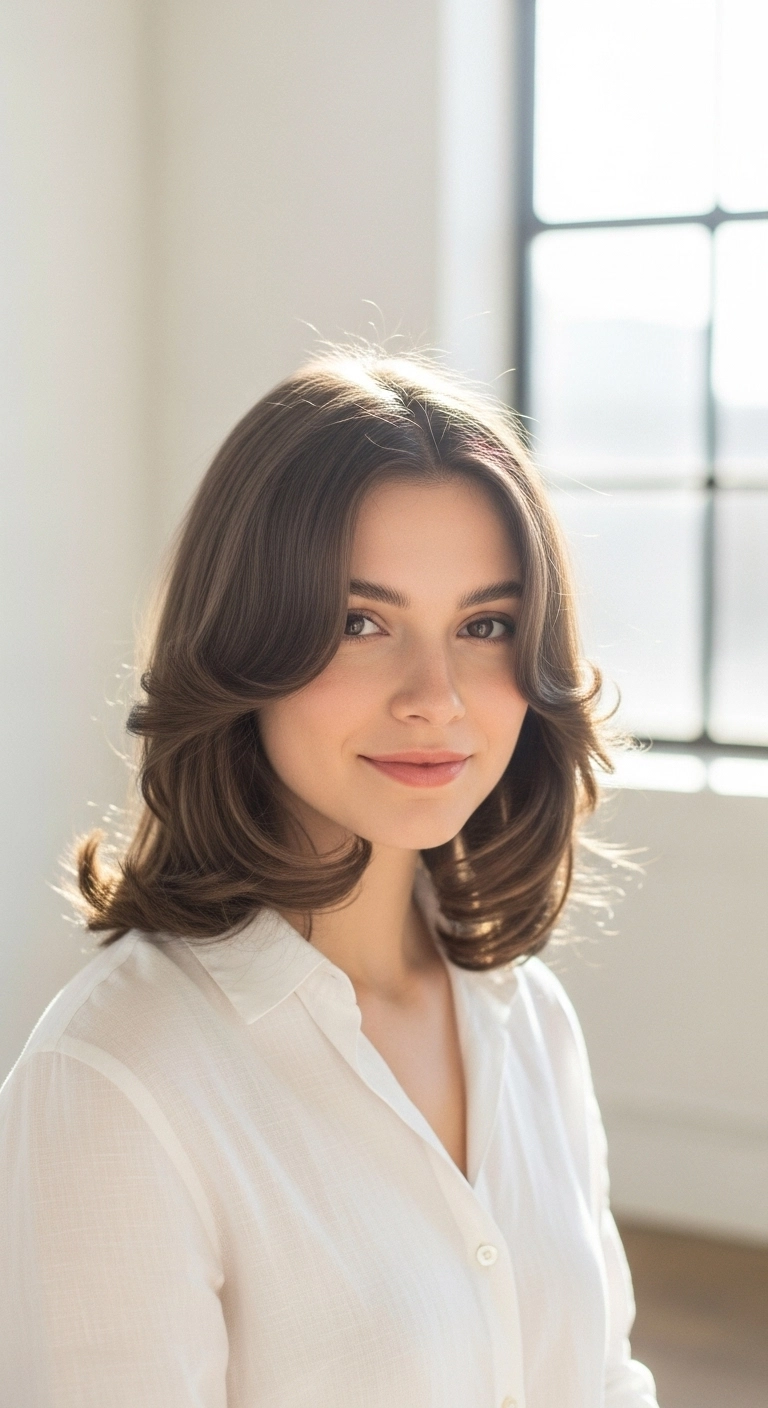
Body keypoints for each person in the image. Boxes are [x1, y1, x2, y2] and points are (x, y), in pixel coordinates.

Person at [0, 352, 659, 1407]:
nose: (435, 696)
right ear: (241, 643)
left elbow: (605, 1379)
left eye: (484, 625)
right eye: (362, 623)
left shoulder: (528, 1016)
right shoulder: (113, 1083)